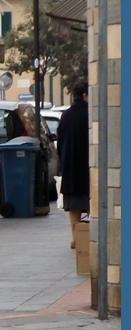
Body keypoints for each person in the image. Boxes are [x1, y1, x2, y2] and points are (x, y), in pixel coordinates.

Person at [57, 80, 89, 248]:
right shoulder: (90, 113)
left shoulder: (66, 115)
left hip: (70, 166)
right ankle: (90, 236)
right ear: (85, 95)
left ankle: (75, 237)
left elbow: (60, 142)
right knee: (92, 203)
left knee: (74, 206)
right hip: (87, 166)